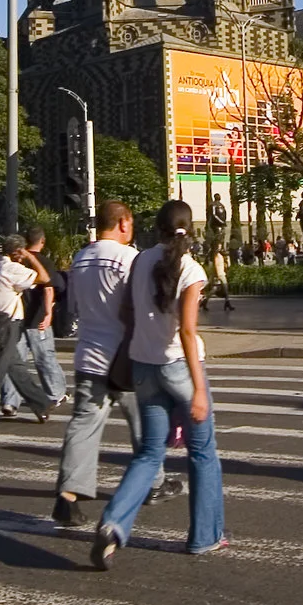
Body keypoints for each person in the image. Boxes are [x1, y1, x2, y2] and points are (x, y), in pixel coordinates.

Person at [92, 200, 225, 568]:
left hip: (143, 367)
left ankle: (114, 523)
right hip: (180, 367)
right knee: (202, 453)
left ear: (158, 227)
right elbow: (186, 331)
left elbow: (128, 312)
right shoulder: (192, 269)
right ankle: (204, 537)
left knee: (150, 454)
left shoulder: (139, 260)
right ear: (189, 227)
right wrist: (199, 390)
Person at [52, 201, 175, 525]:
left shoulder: (81, 258)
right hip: (126, 356)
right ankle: (154, 482)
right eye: (130, 224)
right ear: (123, 223)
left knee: (83, 425)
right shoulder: (129, 258)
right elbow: (141, 305)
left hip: (89, 355)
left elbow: (76, 307)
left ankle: (68, 494)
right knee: (145, 422)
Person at [0, 235, 57, 434]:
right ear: (17, 253)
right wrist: (31, 258)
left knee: (15, 367)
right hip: (7, 325)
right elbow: (44, 278)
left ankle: (41, 403)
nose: (23, 258)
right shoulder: (12, 269)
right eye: (22, 254)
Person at [19, 227, 69, 406]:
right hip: (38, 317)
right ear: (42, 241)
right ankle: (55, 393)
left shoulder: (17, 262)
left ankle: (10, 400)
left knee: (16, 361)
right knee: (45, 358)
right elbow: (50, 289)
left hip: (18, 317)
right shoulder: (44, 262)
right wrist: (49, 313)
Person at [201, 194, 235, 312]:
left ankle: (205, 301)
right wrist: (221, 221)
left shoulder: (221, 205)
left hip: (218, 267)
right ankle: (227, 302)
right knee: (224, 284)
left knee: (215, 287)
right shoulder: (214, 206)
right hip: (218, 269)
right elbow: (214, 215)